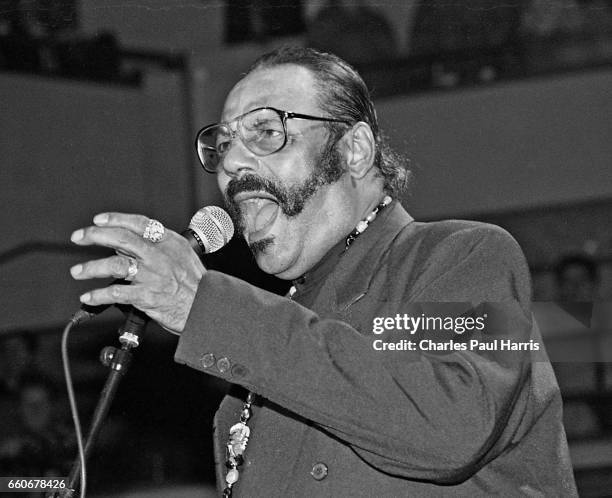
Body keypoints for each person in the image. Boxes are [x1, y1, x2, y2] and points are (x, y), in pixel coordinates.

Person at [69, 47, 577, 496]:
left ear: (353, 150)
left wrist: (201, 304)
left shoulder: (460, 257)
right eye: (222, 145)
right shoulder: (249, 378)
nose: (230, 164)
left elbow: (448, 425)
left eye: (265, 131)